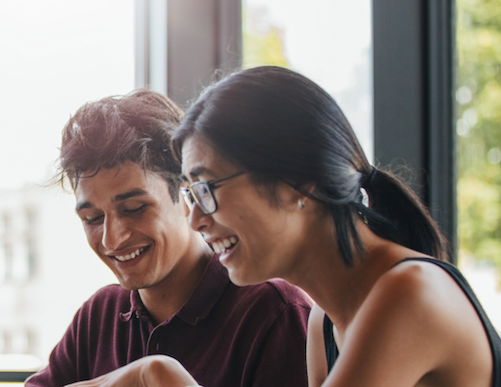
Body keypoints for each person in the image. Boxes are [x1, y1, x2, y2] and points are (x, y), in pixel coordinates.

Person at [157, 65, 501, 386]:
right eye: (191, 193)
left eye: (208, 188)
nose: (195, 220)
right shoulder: (324, 324)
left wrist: (161, 377)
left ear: (298, 182)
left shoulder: (410, 293)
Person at [25, 90, 312, 387]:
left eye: (135, 209)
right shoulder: (98, 317)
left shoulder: (273, 313)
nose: (112, 239)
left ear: (188, 193)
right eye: (93, 219)